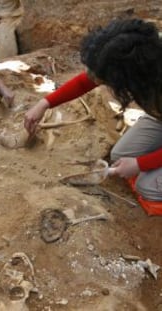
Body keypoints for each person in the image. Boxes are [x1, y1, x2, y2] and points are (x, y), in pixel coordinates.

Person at [24, 18, 162, 202]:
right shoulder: (142, 56)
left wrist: (140, 164)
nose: (100, 81)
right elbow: (87, 80)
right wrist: (44, 104)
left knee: (147, 187)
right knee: (121, 156)